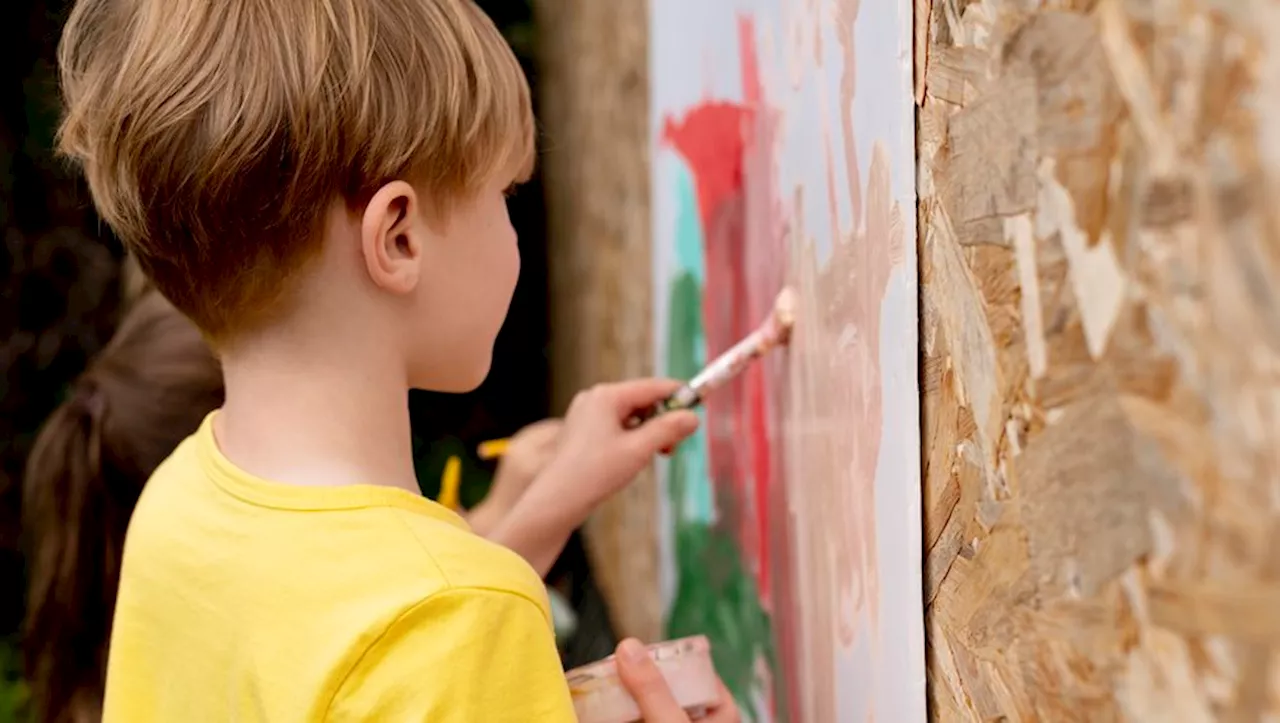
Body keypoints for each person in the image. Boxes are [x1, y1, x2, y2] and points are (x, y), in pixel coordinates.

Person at [55, 0, 739, 720]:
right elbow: (420, 635)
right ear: (399, 238)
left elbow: (354, 637)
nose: (513, 230)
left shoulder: (179, 504)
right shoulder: (458, 624)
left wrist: (541, 512)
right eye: (504, 193)